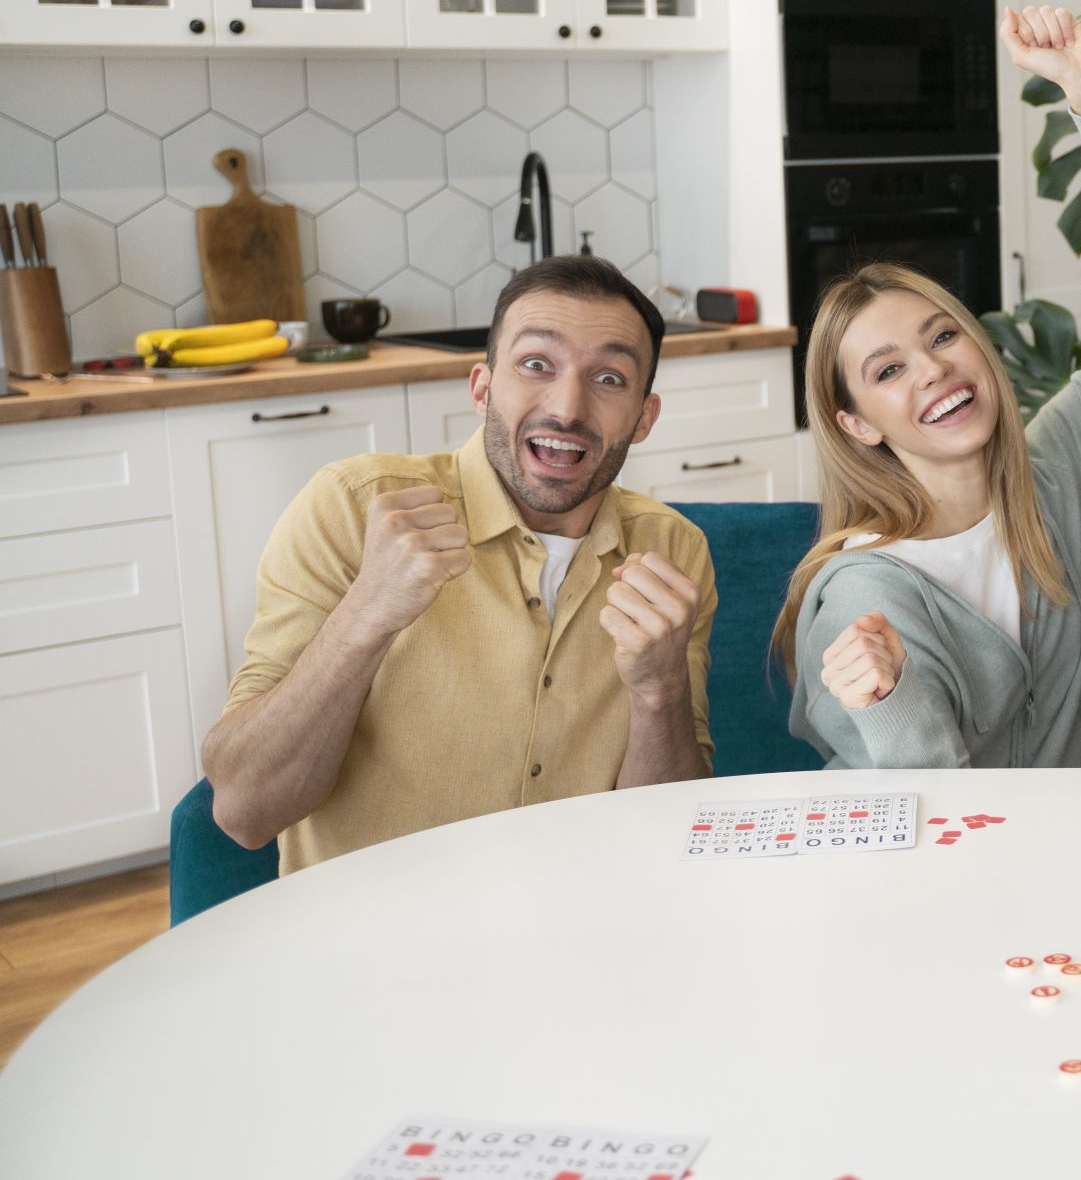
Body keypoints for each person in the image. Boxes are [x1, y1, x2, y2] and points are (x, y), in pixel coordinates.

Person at [780, 4, 1081, 767]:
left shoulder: (1051, 471)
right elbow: (939, 818)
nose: (934, 368)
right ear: (858, 425)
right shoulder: (865, 594)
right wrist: (890, 701)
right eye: (888, 371)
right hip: (942, 868)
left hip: (1071, 850)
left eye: (942, 335)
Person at [203, 257, 715, 871]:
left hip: (580, 931)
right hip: (367, 944)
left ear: (644, 417)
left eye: (609, 378)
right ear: (482, 388)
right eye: (535, 365)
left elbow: (670, 835)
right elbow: (244, 812)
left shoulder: (673, 553)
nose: (568, 407)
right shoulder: (352, 507)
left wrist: (660, 689)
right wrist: (366, 615)